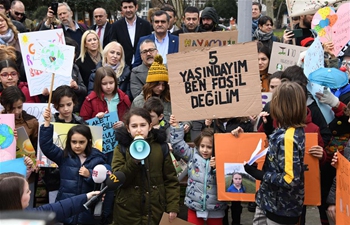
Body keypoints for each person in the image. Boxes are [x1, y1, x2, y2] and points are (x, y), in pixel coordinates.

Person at [245, 81, 306, 225]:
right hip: (268, 201)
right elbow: (280, 153)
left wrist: (259, 175)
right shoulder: (286, 130)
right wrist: (268, 130)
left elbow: (290, 179)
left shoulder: (289, 137)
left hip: (281, 209)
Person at [111, 107, 180, 224]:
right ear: (128, 128)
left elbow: (170, 180)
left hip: (154, 210)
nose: (139, 130)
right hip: (127, 211)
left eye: (143, 125)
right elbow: (118, 179)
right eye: (134, 126)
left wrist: (172, 207)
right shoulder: (121, 148)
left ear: (150, 126)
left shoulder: (160, 147)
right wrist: (133, 162)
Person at [40, 108, 106, 225]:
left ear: (89, 141)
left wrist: (90, 174)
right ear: (69, 142)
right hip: (66, 209)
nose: (77, 146)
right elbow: (47, 146)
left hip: (86, 210)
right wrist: (47, 123)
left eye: (81, 142)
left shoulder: (98, 158)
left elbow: (102, 181)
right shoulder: (64, 157)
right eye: (74, 142)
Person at [170, 115, 226, 225]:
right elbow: (177, 145)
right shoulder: (192, 155)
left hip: (216, 207)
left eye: (209, 147)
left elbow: (227, 178)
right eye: (202, 146)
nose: (205, 150)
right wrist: (176, 127)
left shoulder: (221, 159)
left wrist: (216, 168)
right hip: (194, 207)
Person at [0, 172, 101, 223]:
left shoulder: (27, 214)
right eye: (27, 191)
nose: (30, 192)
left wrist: (87, 197)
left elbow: (57, 209)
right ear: (15, 198)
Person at [80, 66, 131, 159]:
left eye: (111, 83)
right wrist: (95, 119)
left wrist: (123, 124)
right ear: (98, 84)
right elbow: (82, 122)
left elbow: (130, 118)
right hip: (97, 145)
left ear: (116, 82)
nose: (108, 86)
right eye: (104, 83)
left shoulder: (124, 98)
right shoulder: (91, 100)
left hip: (119, 142)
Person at [106, 0, 152, 68]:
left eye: (130, 7)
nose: (128, 10)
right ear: (121, 9)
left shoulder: (146, 25)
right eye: (125, 7)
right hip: (122, 66)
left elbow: (149, 44)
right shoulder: (115, 26)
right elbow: (113, 45)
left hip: (142, 66)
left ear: (136, 7)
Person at [132, 55, 171, 121]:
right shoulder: (138, 102)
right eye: (157, 84)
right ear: (151, 84)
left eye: (163, 85)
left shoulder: (169, 98)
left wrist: (186, 124)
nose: (161, 88)